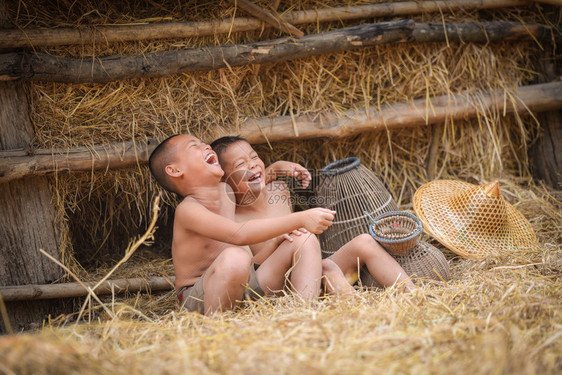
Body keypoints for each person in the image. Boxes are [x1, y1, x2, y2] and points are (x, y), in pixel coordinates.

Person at [148, 134, 335, 315]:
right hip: (199, 298)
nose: (205, 146)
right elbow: (238, 234)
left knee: (303, 238)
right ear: (175, 170)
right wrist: (300, 218)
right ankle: (214, 332)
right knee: (236, 257)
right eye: (193, 145)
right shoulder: (188, 210)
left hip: (244, 282)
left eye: (203, 142)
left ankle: (304, 316)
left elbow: (249, 180)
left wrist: (278, 168)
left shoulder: (225, 190)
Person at [211, 136, 415, 295]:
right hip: (275, 285)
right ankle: (307, 310)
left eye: (254, 157)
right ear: (225, 181)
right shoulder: (234, 219)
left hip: (308, 271)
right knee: (310, 250)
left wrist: (277, 167)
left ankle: (414, 293)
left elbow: (258, 181)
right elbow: (247, 269)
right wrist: (275, 243)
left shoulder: (279, 190)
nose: (253, 164)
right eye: (240, 164)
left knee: (363, 242)